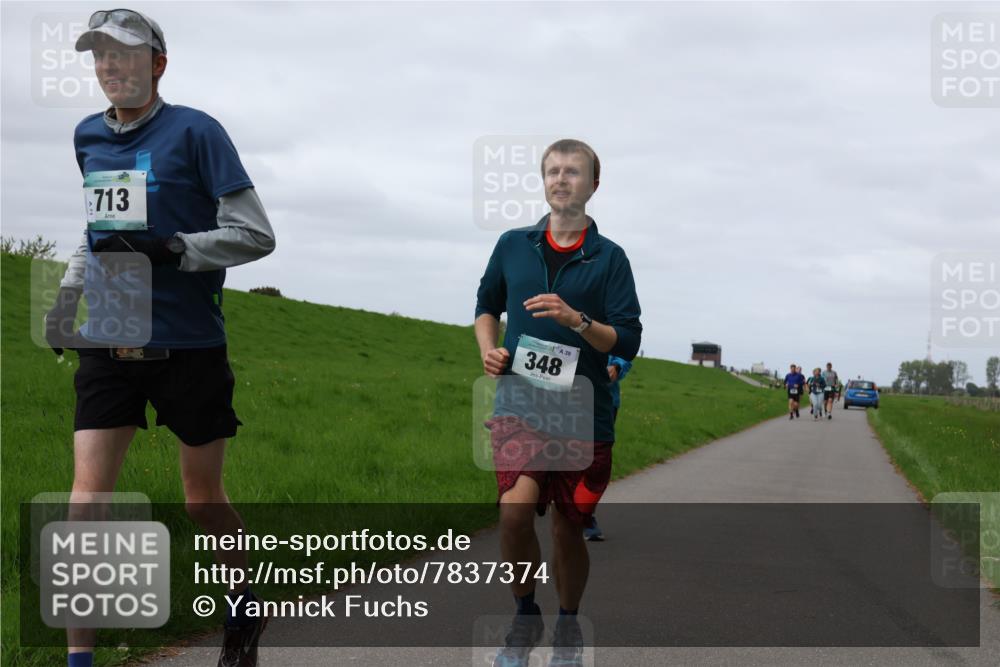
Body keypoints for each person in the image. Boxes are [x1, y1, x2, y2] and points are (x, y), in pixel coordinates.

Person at [44, 10, 275, 667]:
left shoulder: (197, 132)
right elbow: (96, 232)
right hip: (107, 340)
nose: (111, 66)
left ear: (158, 64)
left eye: (125, 54)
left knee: (200, 498)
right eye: (100, 56)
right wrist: (66, 301)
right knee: (85, 501)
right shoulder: (87, 136)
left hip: (188, 342)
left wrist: (175, 247)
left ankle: (242, 601)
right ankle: (79, 660)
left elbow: (257, 232)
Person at [475, 139, 641, 667]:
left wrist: (577, 321)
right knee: (514, 512)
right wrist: (490, 351)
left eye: (574, 171)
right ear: (543, 181)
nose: (561, 179)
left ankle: (568, 629)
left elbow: (628, 340)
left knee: (569, 527)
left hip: (582, 410)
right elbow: (485, 307)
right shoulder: (512, 245)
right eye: (552, 171)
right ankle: (525, 617)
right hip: (519, 403)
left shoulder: (610, 258)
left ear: (595, 183)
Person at [583, 355, 633, 542]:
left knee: (594, 464)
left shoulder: (611, 323)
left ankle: (587, 515)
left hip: (604, 400)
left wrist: (617, 366)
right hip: (562, 394)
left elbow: (625, 345)